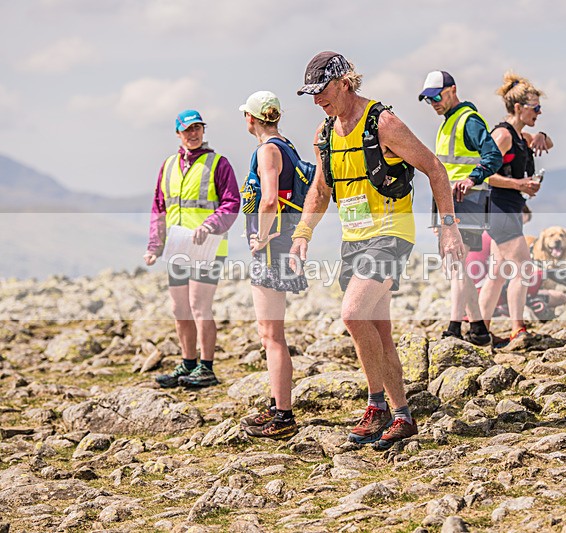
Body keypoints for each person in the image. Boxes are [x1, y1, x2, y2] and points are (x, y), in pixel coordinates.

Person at [292, 51, 465, 450]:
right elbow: (321, 189)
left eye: (322, 90)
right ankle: (401, 414)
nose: (317, 99)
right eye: (311, 93)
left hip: (391, 233)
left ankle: (376, 406)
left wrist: (448, 227)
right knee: (378, 329)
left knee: (352, 314)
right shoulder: (324, 134)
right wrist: (303, 233)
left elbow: (434, 168)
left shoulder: (383, 123)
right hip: (354, 238)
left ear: (344, 84)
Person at [145, 110, 240, 388]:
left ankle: (206, 368)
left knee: (200, 307)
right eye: (188, 129)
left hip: (208, 247)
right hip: (177, 248)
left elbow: (232, 203)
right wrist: (154, 246)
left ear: (203, 131)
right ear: (178, 133)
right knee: (180, 309)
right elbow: (159, 208)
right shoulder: (168, 165)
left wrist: (210, 225)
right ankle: (187, 363)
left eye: (198, 128)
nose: (193, 133)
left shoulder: (219, 164)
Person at [236, 91, 308, 440]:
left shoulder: (267, 150)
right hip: (285, 245)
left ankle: (283, 415)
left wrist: (261, 238)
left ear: (250, 119)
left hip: (271, 251)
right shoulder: (287, 146)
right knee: (272, 334)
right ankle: (277, 404)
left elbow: (267, 199)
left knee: (271, 335)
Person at [419, 70, 501, 345]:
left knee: (456, 265)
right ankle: (478, 329)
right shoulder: (448, 122)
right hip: (450, 204)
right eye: (429, 100)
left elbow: (493, 156)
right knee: (457, 266)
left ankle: (454, 327)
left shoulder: (469, 120)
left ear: (453, 90)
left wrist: (472, 178)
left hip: (467, 202)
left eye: (437, 97)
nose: (434, 104)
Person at [478, 71, 554, 344]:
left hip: (509, 209)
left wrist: (542, 135)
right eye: (536, 108)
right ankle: (517, 329)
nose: (539, 113)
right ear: (519, 108)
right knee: (523, 269)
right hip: (499, 210)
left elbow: (548, 143)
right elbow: (485, 174)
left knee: (497, 275)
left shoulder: (522, 136)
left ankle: (480, 331)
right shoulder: (503, 136)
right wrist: (519, 184)